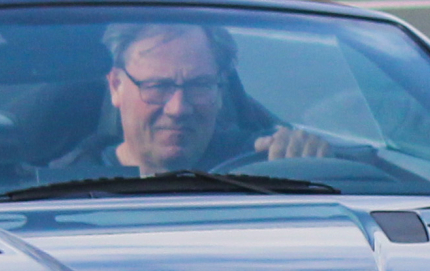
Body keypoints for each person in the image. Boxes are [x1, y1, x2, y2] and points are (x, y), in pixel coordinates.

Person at [64, 21, 329, 177]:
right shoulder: (61, 185)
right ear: (116, 86)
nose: (178, 108)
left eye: (199, 86)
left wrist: (306, 155)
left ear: (220, 91)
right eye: (158, 86)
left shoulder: (264, 163)